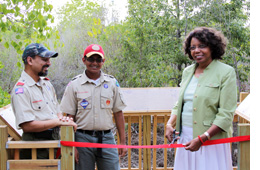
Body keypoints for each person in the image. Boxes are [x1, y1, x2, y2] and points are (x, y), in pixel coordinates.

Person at [165, 27, 237, 170]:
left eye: (202, 46)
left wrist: (203, 138)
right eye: (192, 47)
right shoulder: (187, 72)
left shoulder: (226, 72)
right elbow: (180, 103)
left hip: (210, 140)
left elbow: (226, 114)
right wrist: (169, 124)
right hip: (186, 138)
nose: (197, 50)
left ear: (212, 47)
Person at [60, 44, 127, 170]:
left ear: (103, 61)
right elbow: (70, 117)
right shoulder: (74, 84)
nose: (94, 63)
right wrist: (72, 146)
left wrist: (122, 142)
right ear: (84, 60)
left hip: (106, 138)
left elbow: (118, 113)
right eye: (91, 59)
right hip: (82, 139)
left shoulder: (112, 83)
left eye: (98, 59)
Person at [11, 43, 77, 159]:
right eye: (44, 59)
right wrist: (59, 122)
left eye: (49, 60)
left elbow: (57, 112)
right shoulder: (21, 89)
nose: (49, 63)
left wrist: (63, 120)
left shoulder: (47, 84)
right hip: (36, 149)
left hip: (54, 143)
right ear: (30, 60)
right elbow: (27, 126)